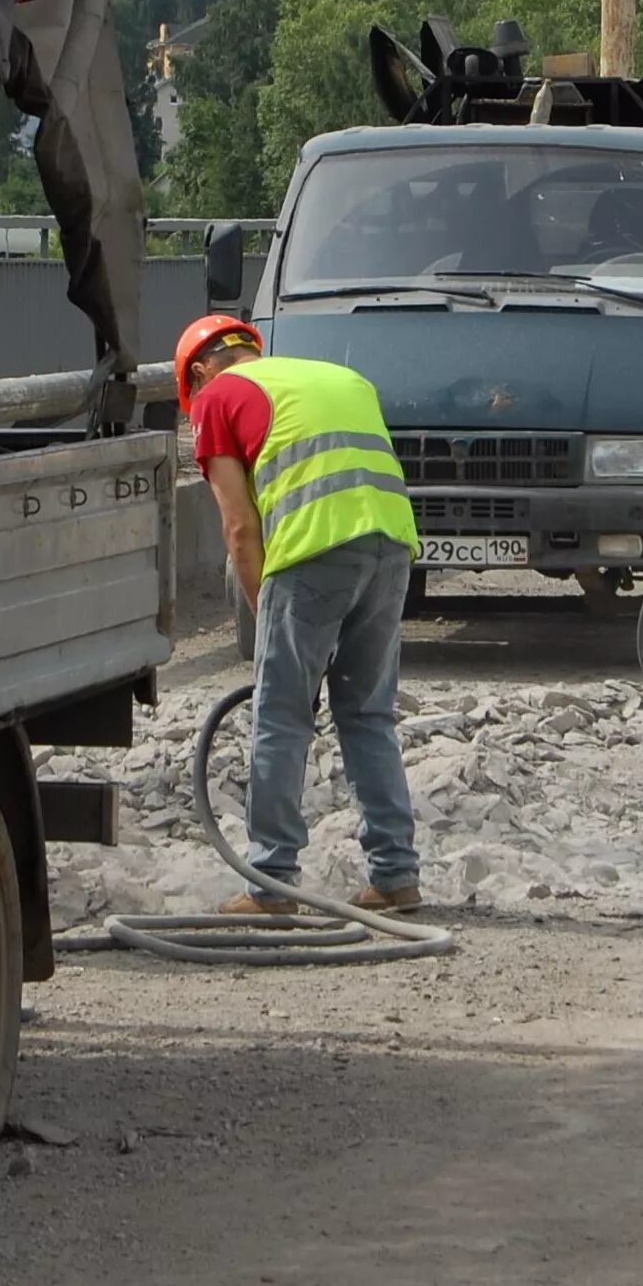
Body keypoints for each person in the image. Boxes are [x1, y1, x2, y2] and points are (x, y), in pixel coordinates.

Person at [176, 314, 423, 915]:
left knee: (281, 716)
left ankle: (271, 882)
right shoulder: (337, 376)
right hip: (392, 543)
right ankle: (395, 875)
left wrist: (266, 614)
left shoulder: (217, 397)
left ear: (202, 371)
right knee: (366, 714)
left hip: (312, 548)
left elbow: (238, 527)